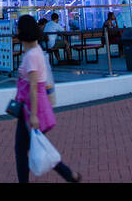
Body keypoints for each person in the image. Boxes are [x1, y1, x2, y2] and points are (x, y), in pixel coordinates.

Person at [13, 14, 81, 183]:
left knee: (24, 149)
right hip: (28, 107)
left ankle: (68, 174)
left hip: (30, 108)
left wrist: (34, 115)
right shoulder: (35, 51)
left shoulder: (32, 56)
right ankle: (69, 175)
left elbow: (34, 87)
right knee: (35, 146)